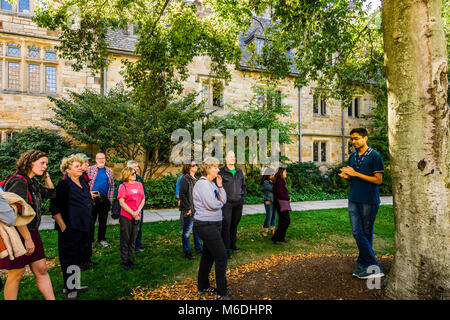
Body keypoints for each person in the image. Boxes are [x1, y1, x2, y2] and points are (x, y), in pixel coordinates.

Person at [0, 150, 56, 300]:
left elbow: (51, 193)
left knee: (41, 269)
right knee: (17, 273)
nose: (45, 166)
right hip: (19, 233)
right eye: (42, 163)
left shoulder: (32, 181)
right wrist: (27, 238)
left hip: (32, 232)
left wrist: (46, 176)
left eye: (47, 164)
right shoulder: (19, 181)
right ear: (30, 162)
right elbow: (16, 213)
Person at [339, 128, 385, 279]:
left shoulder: (375, 156)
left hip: (369, 200)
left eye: (357, 138)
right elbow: (353, 178)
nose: (354, 141)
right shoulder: (352, 157)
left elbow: (378, 180)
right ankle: (368, 265)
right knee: (357, 232)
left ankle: (368, 266)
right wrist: (346, 176)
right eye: (352, 139)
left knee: (365, 233)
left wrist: (355, 174)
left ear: (365, 138)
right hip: (353, 198)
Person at [50, 155, 92, 299]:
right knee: (69, 258)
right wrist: (64, 228)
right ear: (68, 170)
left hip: (82, 227)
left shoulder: (82, 181)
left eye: (81, 165)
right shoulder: (64, 184)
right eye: (77, 166)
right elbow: (54, 208)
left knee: (78, 257)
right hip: (70, 228)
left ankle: (75, 284)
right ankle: (70, 288)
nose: (81, 168)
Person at [193, 157, 230, 300]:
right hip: (205, 224)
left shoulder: (212, 184)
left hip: (214, 223)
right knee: (221, 256)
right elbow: (213, 205)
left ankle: (202, 286)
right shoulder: (202, 184)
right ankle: (222, 293)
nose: (218, 169)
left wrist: (220, 186)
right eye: (215, 167)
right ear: (208, 168)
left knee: (208, 256)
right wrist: (219, 203)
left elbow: (223, 199)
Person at [219, 151, 246, 259]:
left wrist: (242, 198)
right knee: (226, 225)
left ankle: (232, 245)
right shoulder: (221, 172)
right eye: (230, 156)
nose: (233, 158)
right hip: (227, 204)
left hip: (238, 203)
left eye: (234, 156)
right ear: (225, 158)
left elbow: (244, 186)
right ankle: (225, 250)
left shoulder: (239, 171)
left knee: (234, 225)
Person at [115, 160, 147, 252]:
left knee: (138, 227)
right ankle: (123, 246)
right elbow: (119, 196)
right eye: (135, 167)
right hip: (127, 210)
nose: (137, 168)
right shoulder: (122, 182)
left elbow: (144, 193)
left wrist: (140, 204)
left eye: (137, 166)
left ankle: (137, 245)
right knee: (126, 231)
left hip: (139, 208)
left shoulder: (139, 179)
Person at [117, 167, 145, 270]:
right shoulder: (122, 186)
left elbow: (143, 199)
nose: (135, 174)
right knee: (125, 239)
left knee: (133, 239)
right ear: (127, 175)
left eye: (135, 173)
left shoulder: (139, 185)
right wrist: (133, 213)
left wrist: (137, 212)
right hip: (126, 216)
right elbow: (122, 202)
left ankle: (130, 259)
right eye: (133, 173)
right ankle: (124, 261)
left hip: (137, 215)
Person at [74, 153, 99, 271]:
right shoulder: (75, 177)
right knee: (82, 238)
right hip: (80, 214)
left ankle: (87, 259)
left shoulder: (84, 176)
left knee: (88, 236)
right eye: (86, 162)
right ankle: (80, 262)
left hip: (87, 209)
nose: (88, 164)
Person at [86, 153, 115, 248]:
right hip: (92, 198)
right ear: (95, 159)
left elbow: (111, 186)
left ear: (105, 159)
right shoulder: (89, 169)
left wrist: (109, 200)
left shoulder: (109, 171)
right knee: (91, 221)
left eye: (103, 158)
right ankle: (90, 241)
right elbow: (84, 183)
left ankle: (101, 240)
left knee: (103, 221)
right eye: (99, 158)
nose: (101, 160)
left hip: (104, 198)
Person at [179, 161, 202, 259]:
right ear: (188, 167)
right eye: (194, 165)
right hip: (189, 209)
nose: (196, 166)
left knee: (197, 230)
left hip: (196, 209)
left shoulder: (195, 179)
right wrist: (187, 208)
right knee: (187, 231)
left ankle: (199, 248)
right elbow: (182, 194)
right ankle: (187, 251)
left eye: (196, 164)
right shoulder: (185, 179)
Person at [271, 167, 291, 245]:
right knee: (285, 221)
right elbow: (279, 194)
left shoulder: (281, 181)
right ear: (281, 173)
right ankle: (276, 238)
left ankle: (280, 238)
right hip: (280, 203)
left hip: (280, 203)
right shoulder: (279, 181)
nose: (286, 173)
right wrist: (288, 198)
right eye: (285, 172)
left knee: (283, 221)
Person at [261, 168, 277, 237]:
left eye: (273, 174)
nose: (273, 175)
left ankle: (273, 229)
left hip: (275, 201)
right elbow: (273, 189)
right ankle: (265, 231)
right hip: (268, 201)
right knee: (269, 216)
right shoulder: (265, 182)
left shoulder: (272, 181)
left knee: (274, 215)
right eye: (272, 174)